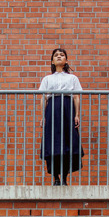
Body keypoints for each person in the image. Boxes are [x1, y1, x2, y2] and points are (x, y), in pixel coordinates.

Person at [39, 48, 84, 185]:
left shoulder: (72, 78)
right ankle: (55, 177)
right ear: (52, 60)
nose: (59, 57)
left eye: (62, 55)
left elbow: (76, 96)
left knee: (67, 141)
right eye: (56, 55)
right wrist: (43, 116)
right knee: (52, 142)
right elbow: (43, 98)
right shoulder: (47, 79)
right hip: (53, 109)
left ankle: (64, 176)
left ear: (66, 60)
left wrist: (76, 115)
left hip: (67, 108)